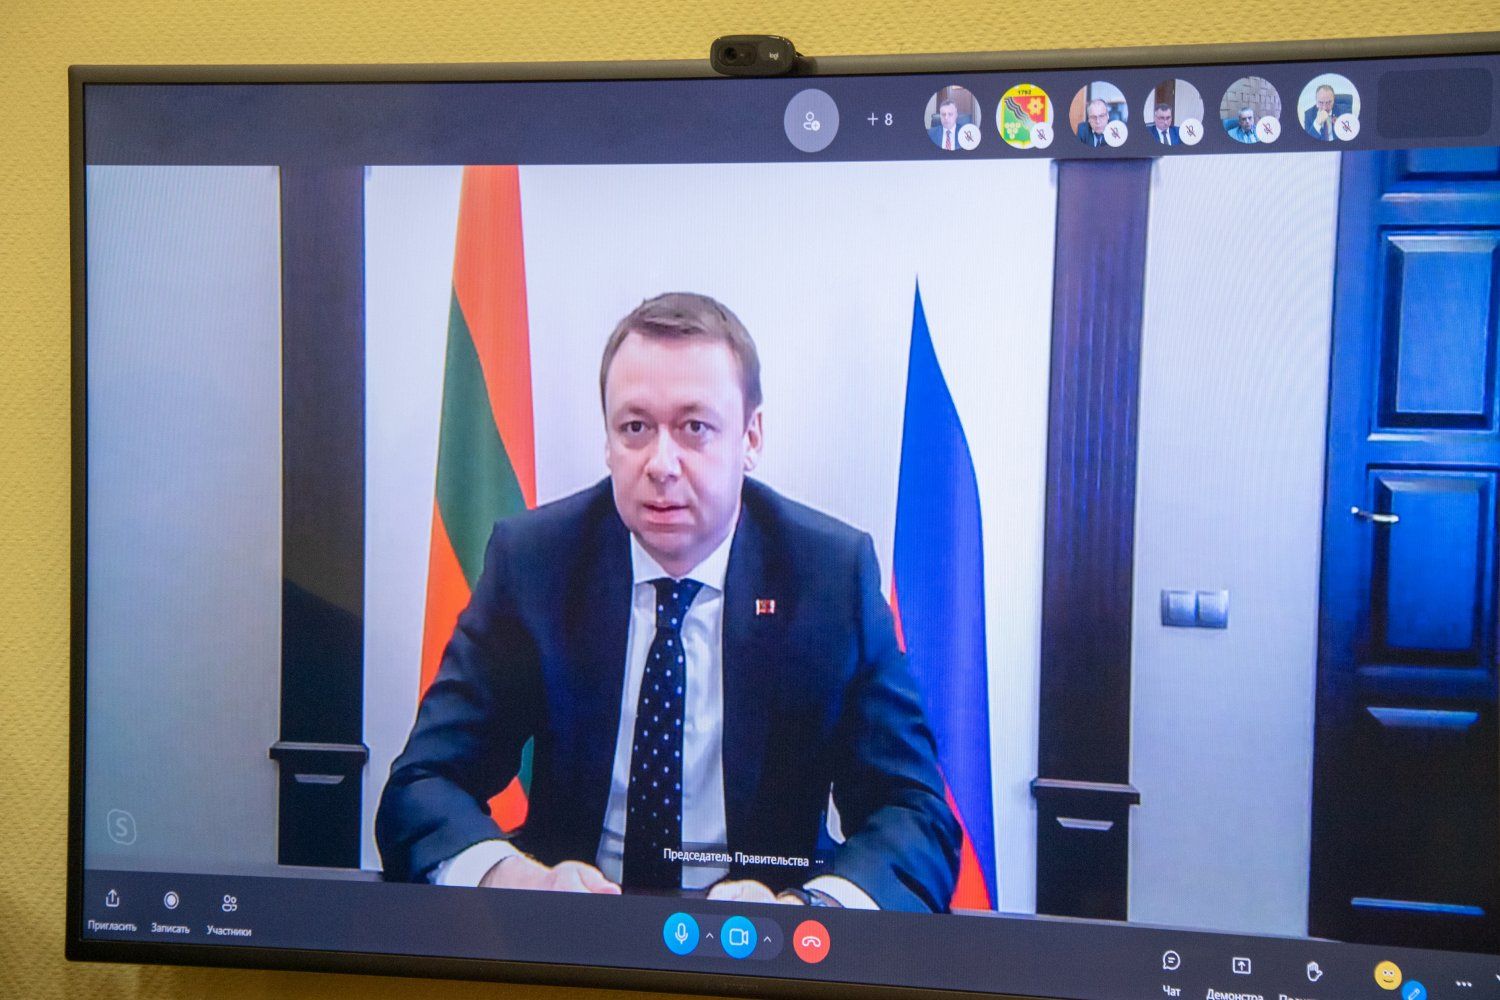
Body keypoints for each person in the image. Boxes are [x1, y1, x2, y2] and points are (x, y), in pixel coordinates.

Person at [376, 293, 961, 914]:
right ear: (608, 441)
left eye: (694, 428)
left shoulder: (828, 578)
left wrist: (808, 910)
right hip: (574, 930)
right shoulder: (536, 564)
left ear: (751, 437)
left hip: (766, 938)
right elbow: (422, 784)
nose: (661, 464)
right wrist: (514, 881)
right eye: (635, 428)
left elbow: (915, 814)